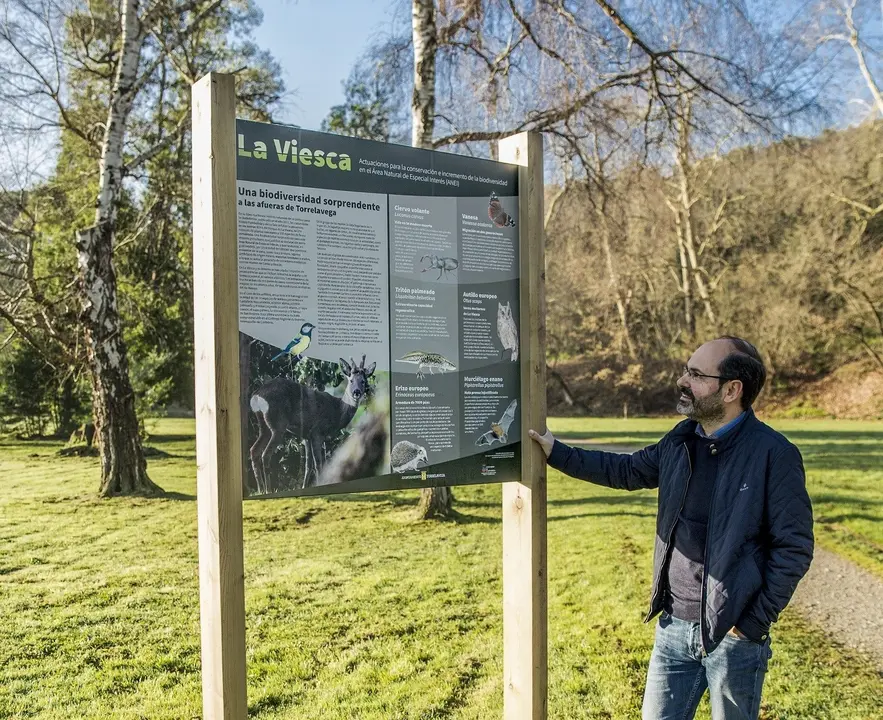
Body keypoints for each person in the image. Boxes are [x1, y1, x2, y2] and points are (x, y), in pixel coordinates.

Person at [528, 336, 813, 720]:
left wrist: (750, 624)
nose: (682, 381)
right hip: (673, 627)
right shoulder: (680, 440)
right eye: (686, 369)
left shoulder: (774, 455)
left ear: (732, 389)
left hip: (734, 638)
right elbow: (626, 470)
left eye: (695, 374)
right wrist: (557, 452)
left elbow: (793, 548)